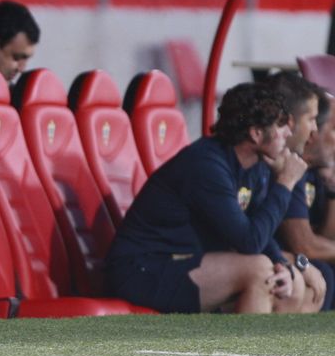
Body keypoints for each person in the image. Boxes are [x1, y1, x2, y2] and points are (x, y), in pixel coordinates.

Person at [107, 82, 320, 314]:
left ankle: (270, 350)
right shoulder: (206, 165)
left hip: (186, 263)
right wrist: (285, 183)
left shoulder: (256, 166)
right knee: (260, 271)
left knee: (291, 283)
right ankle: (246, 351)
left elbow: (259, 228)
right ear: (256, 134)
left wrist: (281, 262)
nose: (289, 133)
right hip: (143, 268)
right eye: (281, 126)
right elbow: (249, 242)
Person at [268, 72, 335, 309]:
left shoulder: (313, 170)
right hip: (261, 261)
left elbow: (325, 238)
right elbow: (305, 246)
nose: (314, 130)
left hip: (275, 257)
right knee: (318, 274)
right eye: (312, 120)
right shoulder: (287, 166)